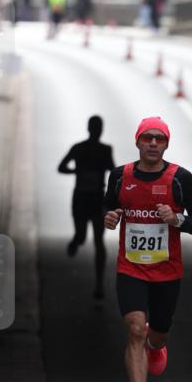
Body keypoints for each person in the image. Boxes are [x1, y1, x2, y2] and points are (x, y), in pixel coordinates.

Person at [104, 117, 192, 382]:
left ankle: (157, 343)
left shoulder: (180, 179)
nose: (152, 143)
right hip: (131, 268)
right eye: (147, 137)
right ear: (137, 141)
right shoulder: (120, 177)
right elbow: (110, 208)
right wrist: (109, 217)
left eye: (158, 139)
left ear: (166, 144)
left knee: (156, 331)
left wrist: (178, 220)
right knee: (135, 328)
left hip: (166, 272)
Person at [58, 116, 115, 299]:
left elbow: (112, 171)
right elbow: (61, 167)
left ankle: (99, 285)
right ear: (93, 129)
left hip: (96, 199)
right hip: (83, 197)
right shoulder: (79, 148)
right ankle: (76, 241)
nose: (98, 131)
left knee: (99, 240)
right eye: (97, 128)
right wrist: (78, 171)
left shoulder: (104, 150)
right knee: (82, 236)